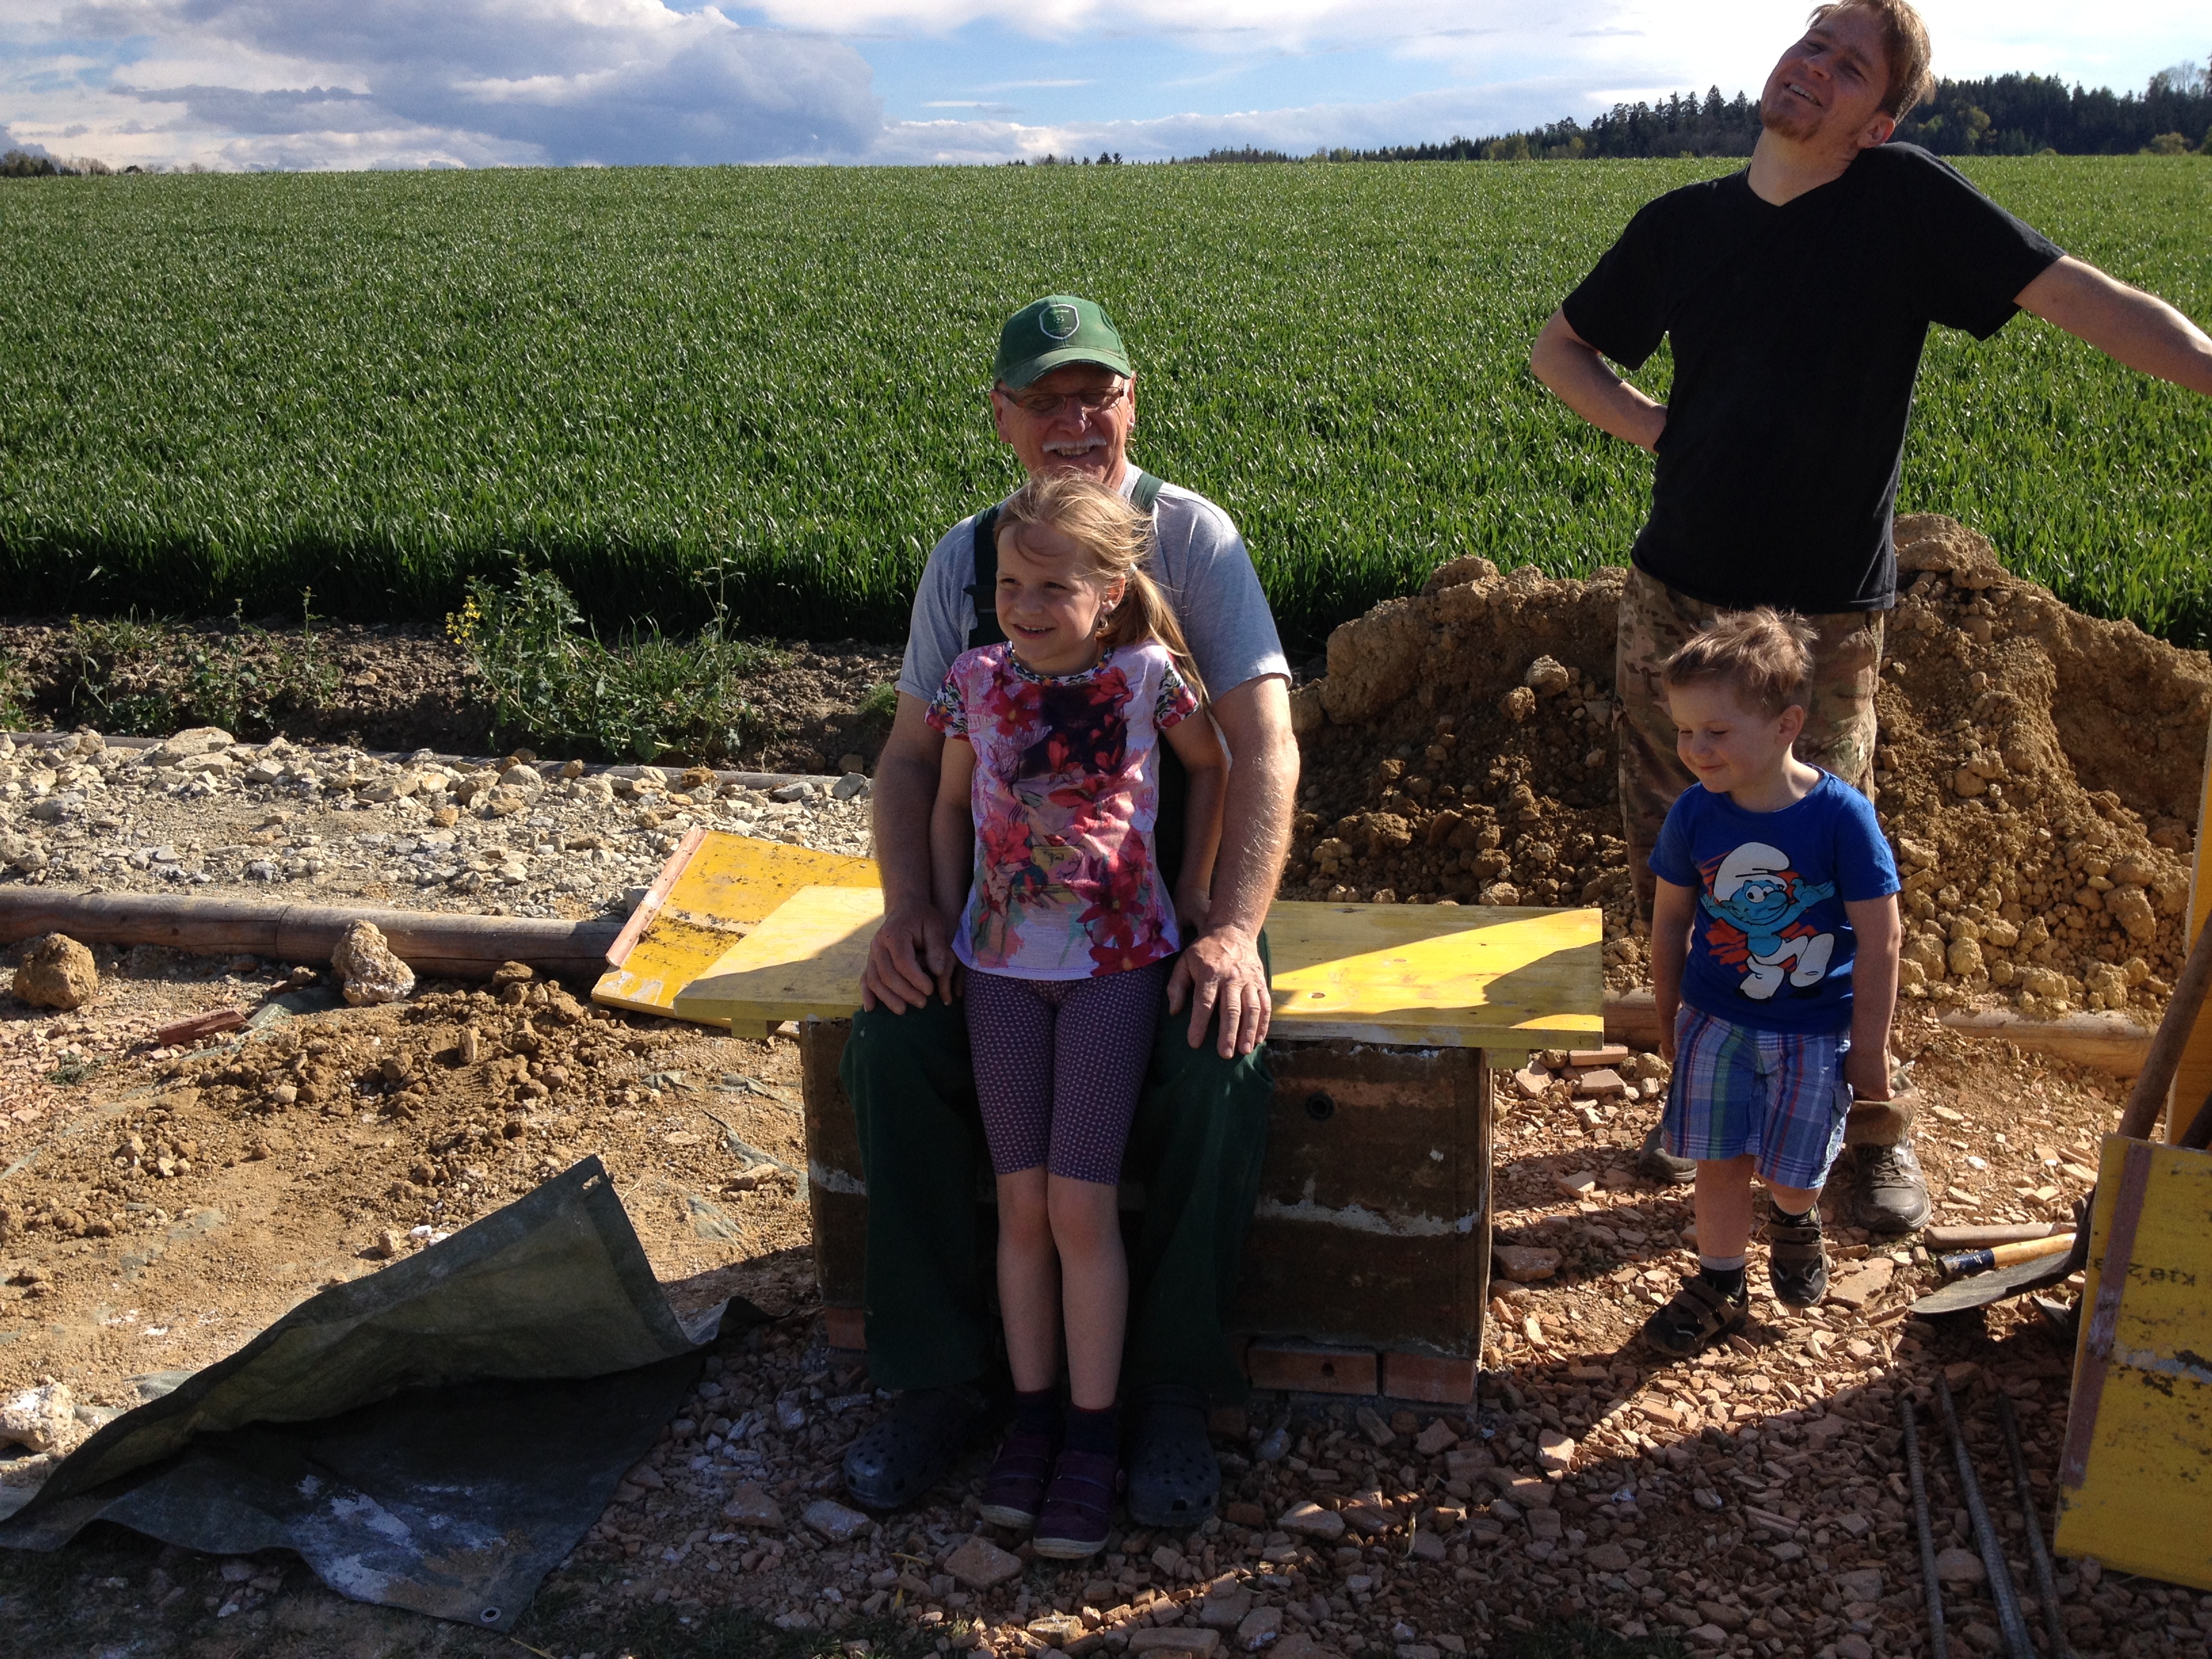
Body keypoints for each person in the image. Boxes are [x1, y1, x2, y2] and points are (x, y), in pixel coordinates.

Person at [1530, 0, 2212, 1232]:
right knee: (1679, 862)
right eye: (1812, 43)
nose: (1815, 68)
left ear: (1878, 120)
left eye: (1849, 67)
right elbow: (1559, 349)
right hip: (1676, 607)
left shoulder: (1899, 202)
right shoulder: (1680, 224)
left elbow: (2085, 297)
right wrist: (1654, 427)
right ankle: (1703, 1090)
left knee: (1830, 877)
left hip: (1824, 622)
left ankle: (1866, 1117)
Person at [840, 295, 1298, 1526]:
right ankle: (942, 1377)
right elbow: (911, 761)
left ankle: (1166, 1389)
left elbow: (1259, 748)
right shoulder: (966, 558)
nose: (1073, 420)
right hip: (1003, 911)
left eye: (1095, 394)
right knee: (891, 1039)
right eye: (1044, 399)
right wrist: (910, 911)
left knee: (1217, 1052)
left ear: (1132, 405)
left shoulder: (1191, 535)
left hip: (1165, 898)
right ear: (1001, 416)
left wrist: (1229, 928)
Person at [926, 473, 1229, 1558]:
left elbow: (1216, 768)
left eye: (1053, 587)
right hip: (1001, 973)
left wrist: (1195, 891)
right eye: (1011, 584)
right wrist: (945, 917)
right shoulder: (972, 681)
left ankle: (1095, 1435)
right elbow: (947, 803)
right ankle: (1033, 1420)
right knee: (1020, 1208)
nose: (1025, 604)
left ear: (1108, 593)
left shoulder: (1149, 678)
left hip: (1115, 970)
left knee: (1078, 1207)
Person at [1643, 610, 1902, 1355]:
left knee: (1793, 1172)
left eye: (1716, 731)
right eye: (1684, 730)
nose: (1695, 749)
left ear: (1787, 724)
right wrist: (1668, 1014)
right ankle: (1721, 1281)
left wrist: (1869, 1049)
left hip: (1813, 1032)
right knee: (1719, 1162)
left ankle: (1794, 1217)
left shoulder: (1841, 819)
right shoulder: (1695, 814)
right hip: (1715, 1021)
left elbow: (1882, 937)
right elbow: (1669, 922)